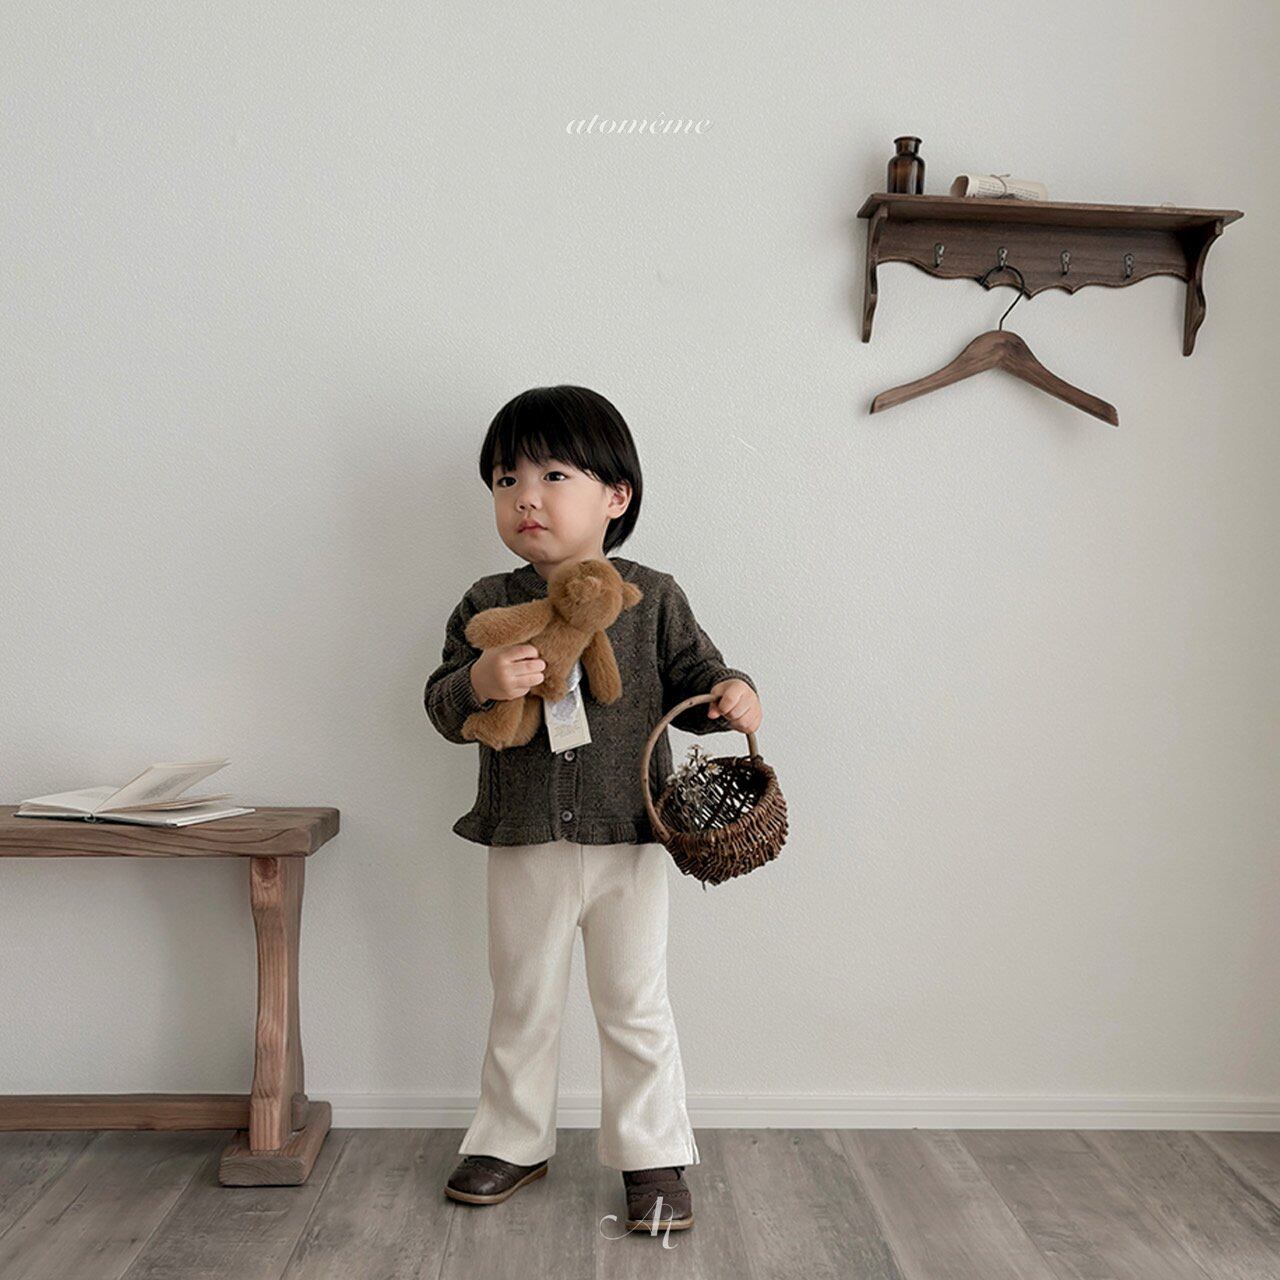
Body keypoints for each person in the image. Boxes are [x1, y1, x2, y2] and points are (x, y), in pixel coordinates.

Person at [423, 385, 762, 1233]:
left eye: (552, 475)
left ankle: (652, 1154)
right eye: (505, 479)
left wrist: (734, 692)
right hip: (524, 839)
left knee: (635, 1003)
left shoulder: (653, 598)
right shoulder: (486, 604)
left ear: (616, 496)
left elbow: (700, 677)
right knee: (522, 999)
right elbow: (441, 705)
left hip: (630, 841)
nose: (524, 497)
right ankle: (511, 1140)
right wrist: (480, 681)